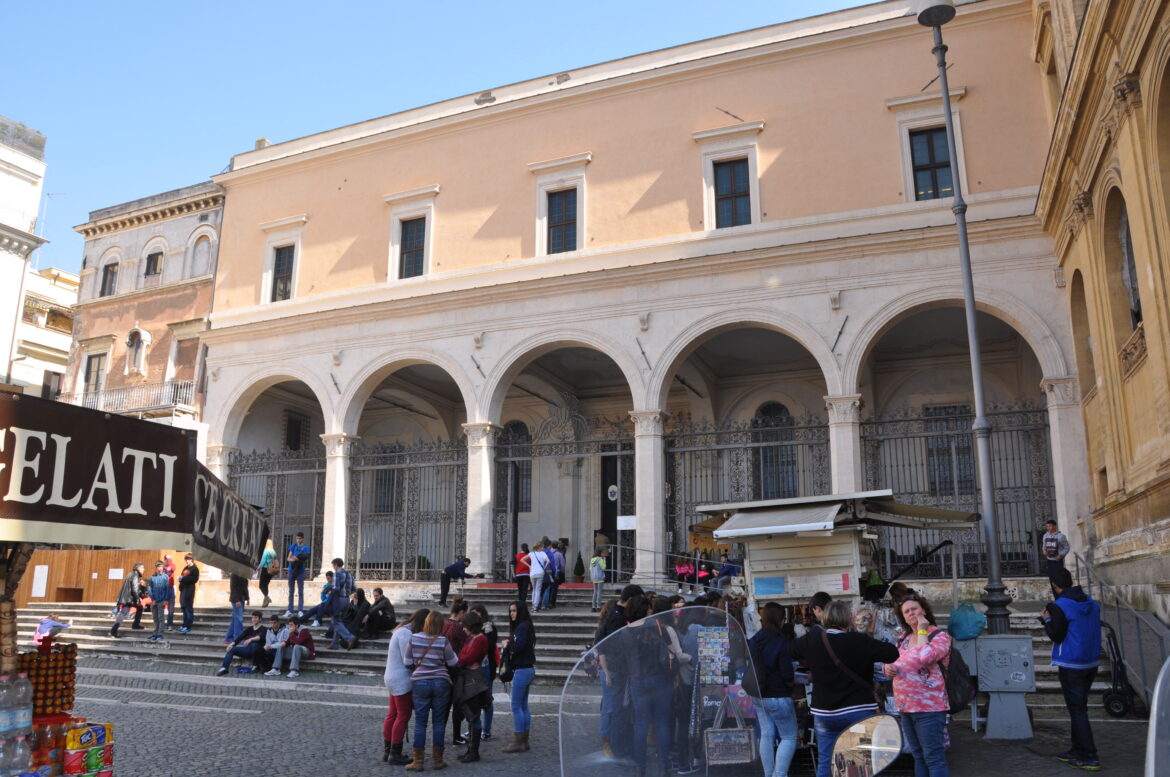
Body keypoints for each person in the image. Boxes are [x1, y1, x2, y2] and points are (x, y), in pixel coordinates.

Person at [793, 599, 899, 777]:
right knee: (857, 766)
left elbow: (790, 650)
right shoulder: (859, 640)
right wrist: (867, 636)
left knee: (825, 762)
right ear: (849, 619)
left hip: (824, 713)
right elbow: (892, 653)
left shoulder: (812, 639)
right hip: (858, 711)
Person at [882, 594, 951, 777]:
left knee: (933, 757)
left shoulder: (939, 636)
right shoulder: (903, 638)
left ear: (924, 610)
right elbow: (895, 661)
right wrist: (887, 668)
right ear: (903, 617)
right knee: (918, 756)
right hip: (905, 707)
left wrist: (922, 630)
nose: (911, 613)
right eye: (906, 611)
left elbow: (925, 658)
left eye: (914, 608)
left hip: (929, 708)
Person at [1043, 567, 1102, 771]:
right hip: (1091, 661)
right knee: (1080, 708)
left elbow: (1056, 635)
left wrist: (1047, 619)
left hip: (1070, 662)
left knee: (1077, 710)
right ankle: (1077, 749)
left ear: (1054, 585)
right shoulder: (1092, 603)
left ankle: (1088, 754)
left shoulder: (1059, 606)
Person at [621, 596, 675, 777]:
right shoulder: (656, 626)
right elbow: (672, 651)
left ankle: (640, 766)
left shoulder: (624, 632)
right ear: (646, 609)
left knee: (641, 725)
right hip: (659, 677)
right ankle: (663, 765)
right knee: (662, 722)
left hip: (637, 680)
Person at [405, 610, 460, 771]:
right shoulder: (443, 641)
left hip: (420, 683)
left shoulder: (414, 638)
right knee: (438, 722)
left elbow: (407, 661)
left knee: (420, 722)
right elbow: (453, 662)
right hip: (441, 682)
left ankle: (418, 761)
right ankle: (437, 760)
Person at [750, 603, 797, 777]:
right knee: (789, 737)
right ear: (780, 620)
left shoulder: (754, 640)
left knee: (767, 734)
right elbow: (786, 674)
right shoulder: (781, 642)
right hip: (777, 695)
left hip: (758, 695)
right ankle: (779, 774)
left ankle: (768, 774)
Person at [384, 609, 428, 765]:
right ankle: (394, 753)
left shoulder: (401, 630)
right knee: (402, 716)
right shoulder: (405, 634)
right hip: (400, 679)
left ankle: (388, 750)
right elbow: (407, 660)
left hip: (392, 677)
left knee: (393, 714)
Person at [454, 611, 492, 762]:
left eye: (465, 626)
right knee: (471, 715)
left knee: (474, 715)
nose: (463, 629)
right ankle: (470, 749)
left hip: (474, 678)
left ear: (470, 626)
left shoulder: (481, 639)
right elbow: (462, 655)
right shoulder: (472, 638)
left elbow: (467, 658)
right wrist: (463, 659)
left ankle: (473, 751)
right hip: (469, 676)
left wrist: (463, 660)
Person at [501, 600, 535, 753]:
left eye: (514, 611)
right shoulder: (526, 626)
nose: (511, 614)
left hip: (522, 670)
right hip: (527, 669)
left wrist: (507, 645)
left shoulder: (522, 627)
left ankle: (519, 741)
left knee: (516, 706)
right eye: (510, 611)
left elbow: (518, 647)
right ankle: (525, 740)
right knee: (523, 706)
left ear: (520, 611)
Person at [443, 599, 470, 745]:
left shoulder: (443, 623)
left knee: (445, 705)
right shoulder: (459, 628)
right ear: (461, 612)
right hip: (456, 668)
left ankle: (440, 735)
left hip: (443, 667)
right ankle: (456, 736)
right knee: (457, 704)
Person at [469, 604, 497, 741]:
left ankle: (486, 729)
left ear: (481, 614)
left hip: (486, 667)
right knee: (474, 700)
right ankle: (475, 728)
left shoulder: (488, 626)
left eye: (476, 614)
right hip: (474, 667)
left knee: (487, 699)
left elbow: (491, 645)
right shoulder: (470, 627)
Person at [217, 611, 269, 676]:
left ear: (260, 619)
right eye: (252, 618)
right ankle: (224, 668)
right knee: (231, 649)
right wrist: (231, 644)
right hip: (248, 650)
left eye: (255, 618)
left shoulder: (264, 629)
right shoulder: (249, 629)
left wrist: (251, 639)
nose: (253, 619)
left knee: (254, 644)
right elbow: (240, 637)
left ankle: (256, 666)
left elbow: (260, 637)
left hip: (259, 652)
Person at [109, 562, 145, 638]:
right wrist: (138, 600)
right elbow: (135, 589)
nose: (143, 569)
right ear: (138, 568)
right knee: (123, 613)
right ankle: (113, 631)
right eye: (142, 568)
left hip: (127, 598)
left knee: (138, 608)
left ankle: (135, 625)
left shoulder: (130, 574)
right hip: (130, 599)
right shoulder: (135, 576)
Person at [285, 532, 312, 617]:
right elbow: (288, 558)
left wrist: (297, 558)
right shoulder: (293, 546)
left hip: (300, 571)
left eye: (300, 538)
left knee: (300, 591)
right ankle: (290, 610)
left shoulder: (306, 548)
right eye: (297, 538)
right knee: (291, 591)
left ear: (302, 539)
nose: (298, 540)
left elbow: (306, 558)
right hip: (291, 570)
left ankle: (300, 610)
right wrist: (294, 559)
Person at [147, 561, 170, 642]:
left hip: (161, 600)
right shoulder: (152, 577)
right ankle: (155, 634)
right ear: (156, 567)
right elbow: (149, 589)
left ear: (163, 567)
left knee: (161, 618)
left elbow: (167, 589)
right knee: (155, 618)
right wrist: (152, 599)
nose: (160, 568)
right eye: (158, 566)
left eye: (161, 566)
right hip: (154, 601)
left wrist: (165, 599)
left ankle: (160, 634)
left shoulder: (165, 577)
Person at [328, 557, 355, 627]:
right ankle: (336, 636)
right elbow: (354, 588)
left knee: (335, 619)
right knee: (342, 619)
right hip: (347, 599)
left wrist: (330, 589)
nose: (333, 567)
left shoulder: (336, 574)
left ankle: (331, 633)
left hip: (339, 599)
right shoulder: (349, 574)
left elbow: (336, 588)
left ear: (336, 565)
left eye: (333, 565)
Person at [526, 541, 551, 612]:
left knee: (534, 590)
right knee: (538, 590)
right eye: (542, 547)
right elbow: (548, 561)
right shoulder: (543, 553)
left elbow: (522, 560)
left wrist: (529, 566)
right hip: (540, 573)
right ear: (539, 547)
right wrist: (544, 568)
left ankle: (533, 605)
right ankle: (536, 606)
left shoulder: (531, 553)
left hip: (532, 574)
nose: (543, 548)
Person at [177, 554, 199, 633]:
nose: (187, 560)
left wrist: (184, 578)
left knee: (188, 608)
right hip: (183, 589)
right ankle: (184, 625)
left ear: (192, 559)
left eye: (189, 559)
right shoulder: (185, 568)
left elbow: (194, 579)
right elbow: (182, 577)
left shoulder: (195, 569)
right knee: (183, 608)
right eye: (186, 559)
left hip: (189, 590)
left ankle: (188, 626)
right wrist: (180, 581)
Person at [225, 573, 249, 644]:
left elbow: (245, 587)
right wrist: (236, 600)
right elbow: (233, 588)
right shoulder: (235, 574)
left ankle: (228, 638)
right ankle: (238, 638)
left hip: (242, 598)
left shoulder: (244, 574)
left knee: (235, 619)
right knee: (239, 619)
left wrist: (247, 598)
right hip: (236, 599)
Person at [258, 539, 277, 608]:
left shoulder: (266, 551)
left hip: (265, 570)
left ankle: (267, 597)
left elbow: (263, 561)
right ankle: (265, 600)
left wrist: (259, 567)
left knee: (261, 586)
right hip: (271, 571)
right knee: (265, 585)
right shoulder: (273, 552)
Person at [590, 548, 608, 612]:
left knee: (595, 591)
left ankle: (593, 606)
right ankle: (598, 607)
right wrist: (604, 560)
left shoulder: (592, 559)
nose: (603, 554)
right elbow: (603, 568)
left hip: (594, 577)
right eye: (602, 553)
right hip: (600, 577)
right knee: (599, 592)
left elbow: (590, 569)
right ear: (600, 553)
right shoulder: (600, 559)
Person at [161, 554, 177, 630]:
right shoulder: (161, 567)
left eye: (169, 559)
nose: (168, 560)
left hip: (170, 588)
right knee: (161, 607)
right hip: (163, 589)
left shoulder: (172, 565)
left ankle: (169, 624)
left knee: (171, 609)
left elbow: (173, 568)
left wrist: (170, 560)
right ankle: (160, 624)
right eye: (167, 559)